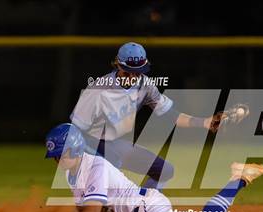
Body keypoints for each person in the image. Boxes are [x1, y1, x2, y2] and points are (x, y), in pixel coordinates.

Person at [41, 123, 263, 212]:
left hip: (144, 210)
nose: (57, 161)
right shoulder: (74, 172)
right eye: (54, 157)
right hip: (144, 208)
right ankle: (240, 177)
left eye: (61, 154)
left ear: (76, 148)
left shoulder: (94, 167)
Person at [71, 42, 221, 190]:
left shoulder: (145, 85)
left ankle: (142, 205)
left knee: (165, 171)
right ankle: (105, 205)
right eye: (127, 71)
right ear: (117, 65)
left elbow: (171, 115)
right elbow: (74, 130)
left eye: (137, 72)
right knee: (113, 165)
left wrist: (205, 122)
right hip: (92, 144)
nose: (132, 76)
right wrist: (88, 160)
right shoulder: (98, 89)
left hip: (116, 144)